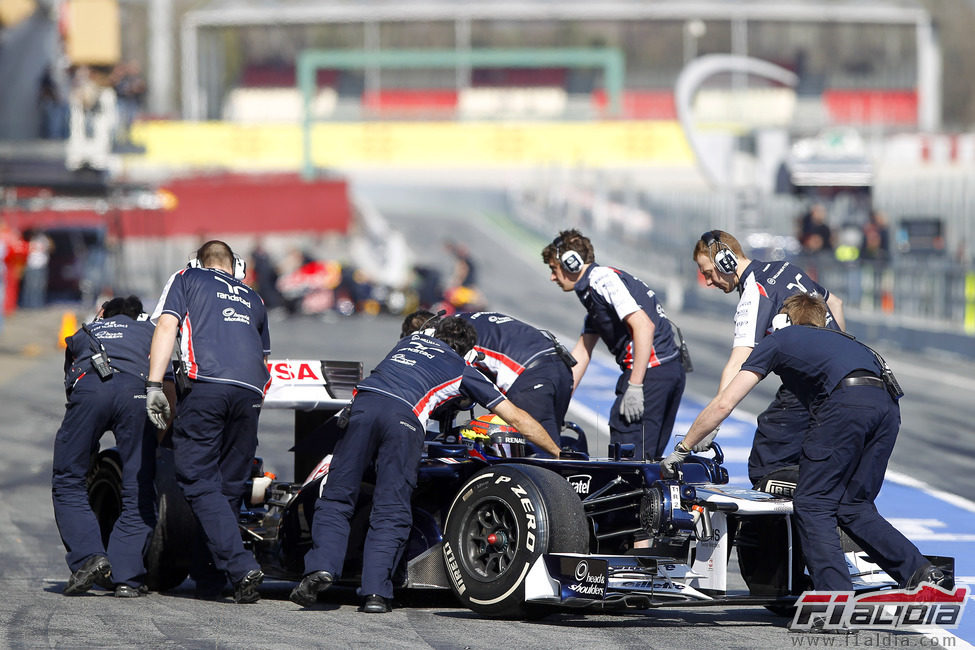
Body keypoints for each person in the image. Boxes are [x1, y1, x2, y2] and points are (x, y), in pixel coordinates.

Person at [662, 293, 945, 593]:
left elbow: (725, 403)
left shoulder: (780, 340)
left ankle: (833, 600)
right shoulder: (848, 342)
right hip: (887, 408)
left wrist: (684, 448)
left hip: (846, 403)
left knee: (813, 503)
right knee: (854, 505)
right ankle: (920, 571)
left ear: (782, 321)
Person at [290, 316, 560, 614]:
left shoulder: (408, 343)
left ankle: (321, 569)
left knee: (337, 496)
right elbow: (517, 418)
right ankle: (376, 594)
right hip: (404, 421)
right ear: (468, 350)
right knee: (391, 508)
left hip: (364, 406)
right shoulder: (463, 369)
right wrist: (555, 452)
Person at [145, 240, 270, 603]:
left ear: (197, 262)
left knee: (197, 478)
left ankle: (240, 564)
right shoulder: (254, 299)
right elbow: (264, 359)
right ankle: (211, 577)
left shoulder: (187, 278)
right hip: (250, 394)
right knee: (227, 488)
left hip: (207, 385)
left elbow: (167, 327)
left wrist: (155, 384)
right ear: (238, 267)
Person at [692, 230, 846, 485]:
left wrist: (715, 419)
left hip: (808, 385)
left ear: (725, 261)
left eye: (708, 272)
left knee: (767, 463)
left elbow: (738, 363)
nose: (708, 281)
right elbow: (836, 303)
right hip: (840, 380)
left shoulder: (756, 290)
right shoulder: (786, 268)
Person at [541, 229, 685, 460]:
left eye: (554, 269)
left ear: (571, 263)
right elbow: (582, 353)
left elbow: (643, 326)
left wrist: (635, 385)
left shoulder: (602, 279)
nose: (552, 277)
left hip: (652, 373)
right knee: (647, 457)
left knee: (627, 454)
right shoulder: (594, 292)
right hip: (667, 371)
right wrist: (560, 405)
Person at [52, 296, 162, 597]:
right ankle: (127, 577)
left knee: (67, 479)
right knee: (138, 484)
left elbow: (69, 380)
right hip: (136, 393)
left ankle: (89, 558)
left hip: (90, 389)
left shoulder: (87, 330)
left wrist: (84, 452)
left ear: (104, 314)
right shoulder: (152, 330)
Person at [452, 310, 574, 452]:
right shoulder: (468, 317)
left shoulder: (443, 338)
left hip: (528, 373)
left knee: (538, 455)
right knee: (550, 440)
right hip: (561, 365)